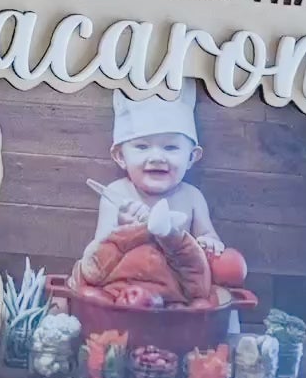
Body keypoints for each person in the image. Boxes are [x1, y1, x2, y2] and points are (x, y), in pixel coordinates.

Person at [86, 84, 224, 254]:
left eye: (171, 147)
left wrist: (209, 243)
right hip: (127, 278)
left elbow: (208, 235)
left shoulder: (192, 197)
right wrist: (123, 229)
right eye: (142, 147)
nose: (157, 158)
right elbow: (96, 253)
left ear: (191, 157)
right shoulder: (115, 195)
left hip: (178, 278)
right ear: (121, 156)